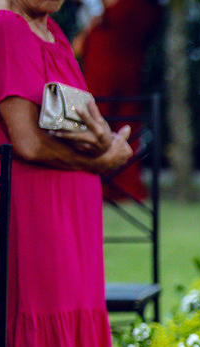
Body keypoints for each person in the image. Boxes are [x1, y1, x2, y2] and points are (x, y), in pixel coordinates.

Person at [0, 0, 132, 347]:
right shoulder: (1, 26)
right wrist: (101, 161)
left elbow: (77, 118)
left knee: (73, 318)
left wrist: (106, 142)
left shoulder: (53, 31)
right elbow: (27, 142)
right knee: (36, 319)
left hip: (69, 211)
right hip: (29, 210)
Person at [74, 0, 164, 203]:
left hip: (106, 70)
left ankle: (101, 184)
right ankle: (121, 186)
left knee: (100, 120)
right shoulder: (146, 11)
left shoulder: (120, 13)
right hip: (129, 73)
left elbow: (77, 47)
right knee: (125, 125)